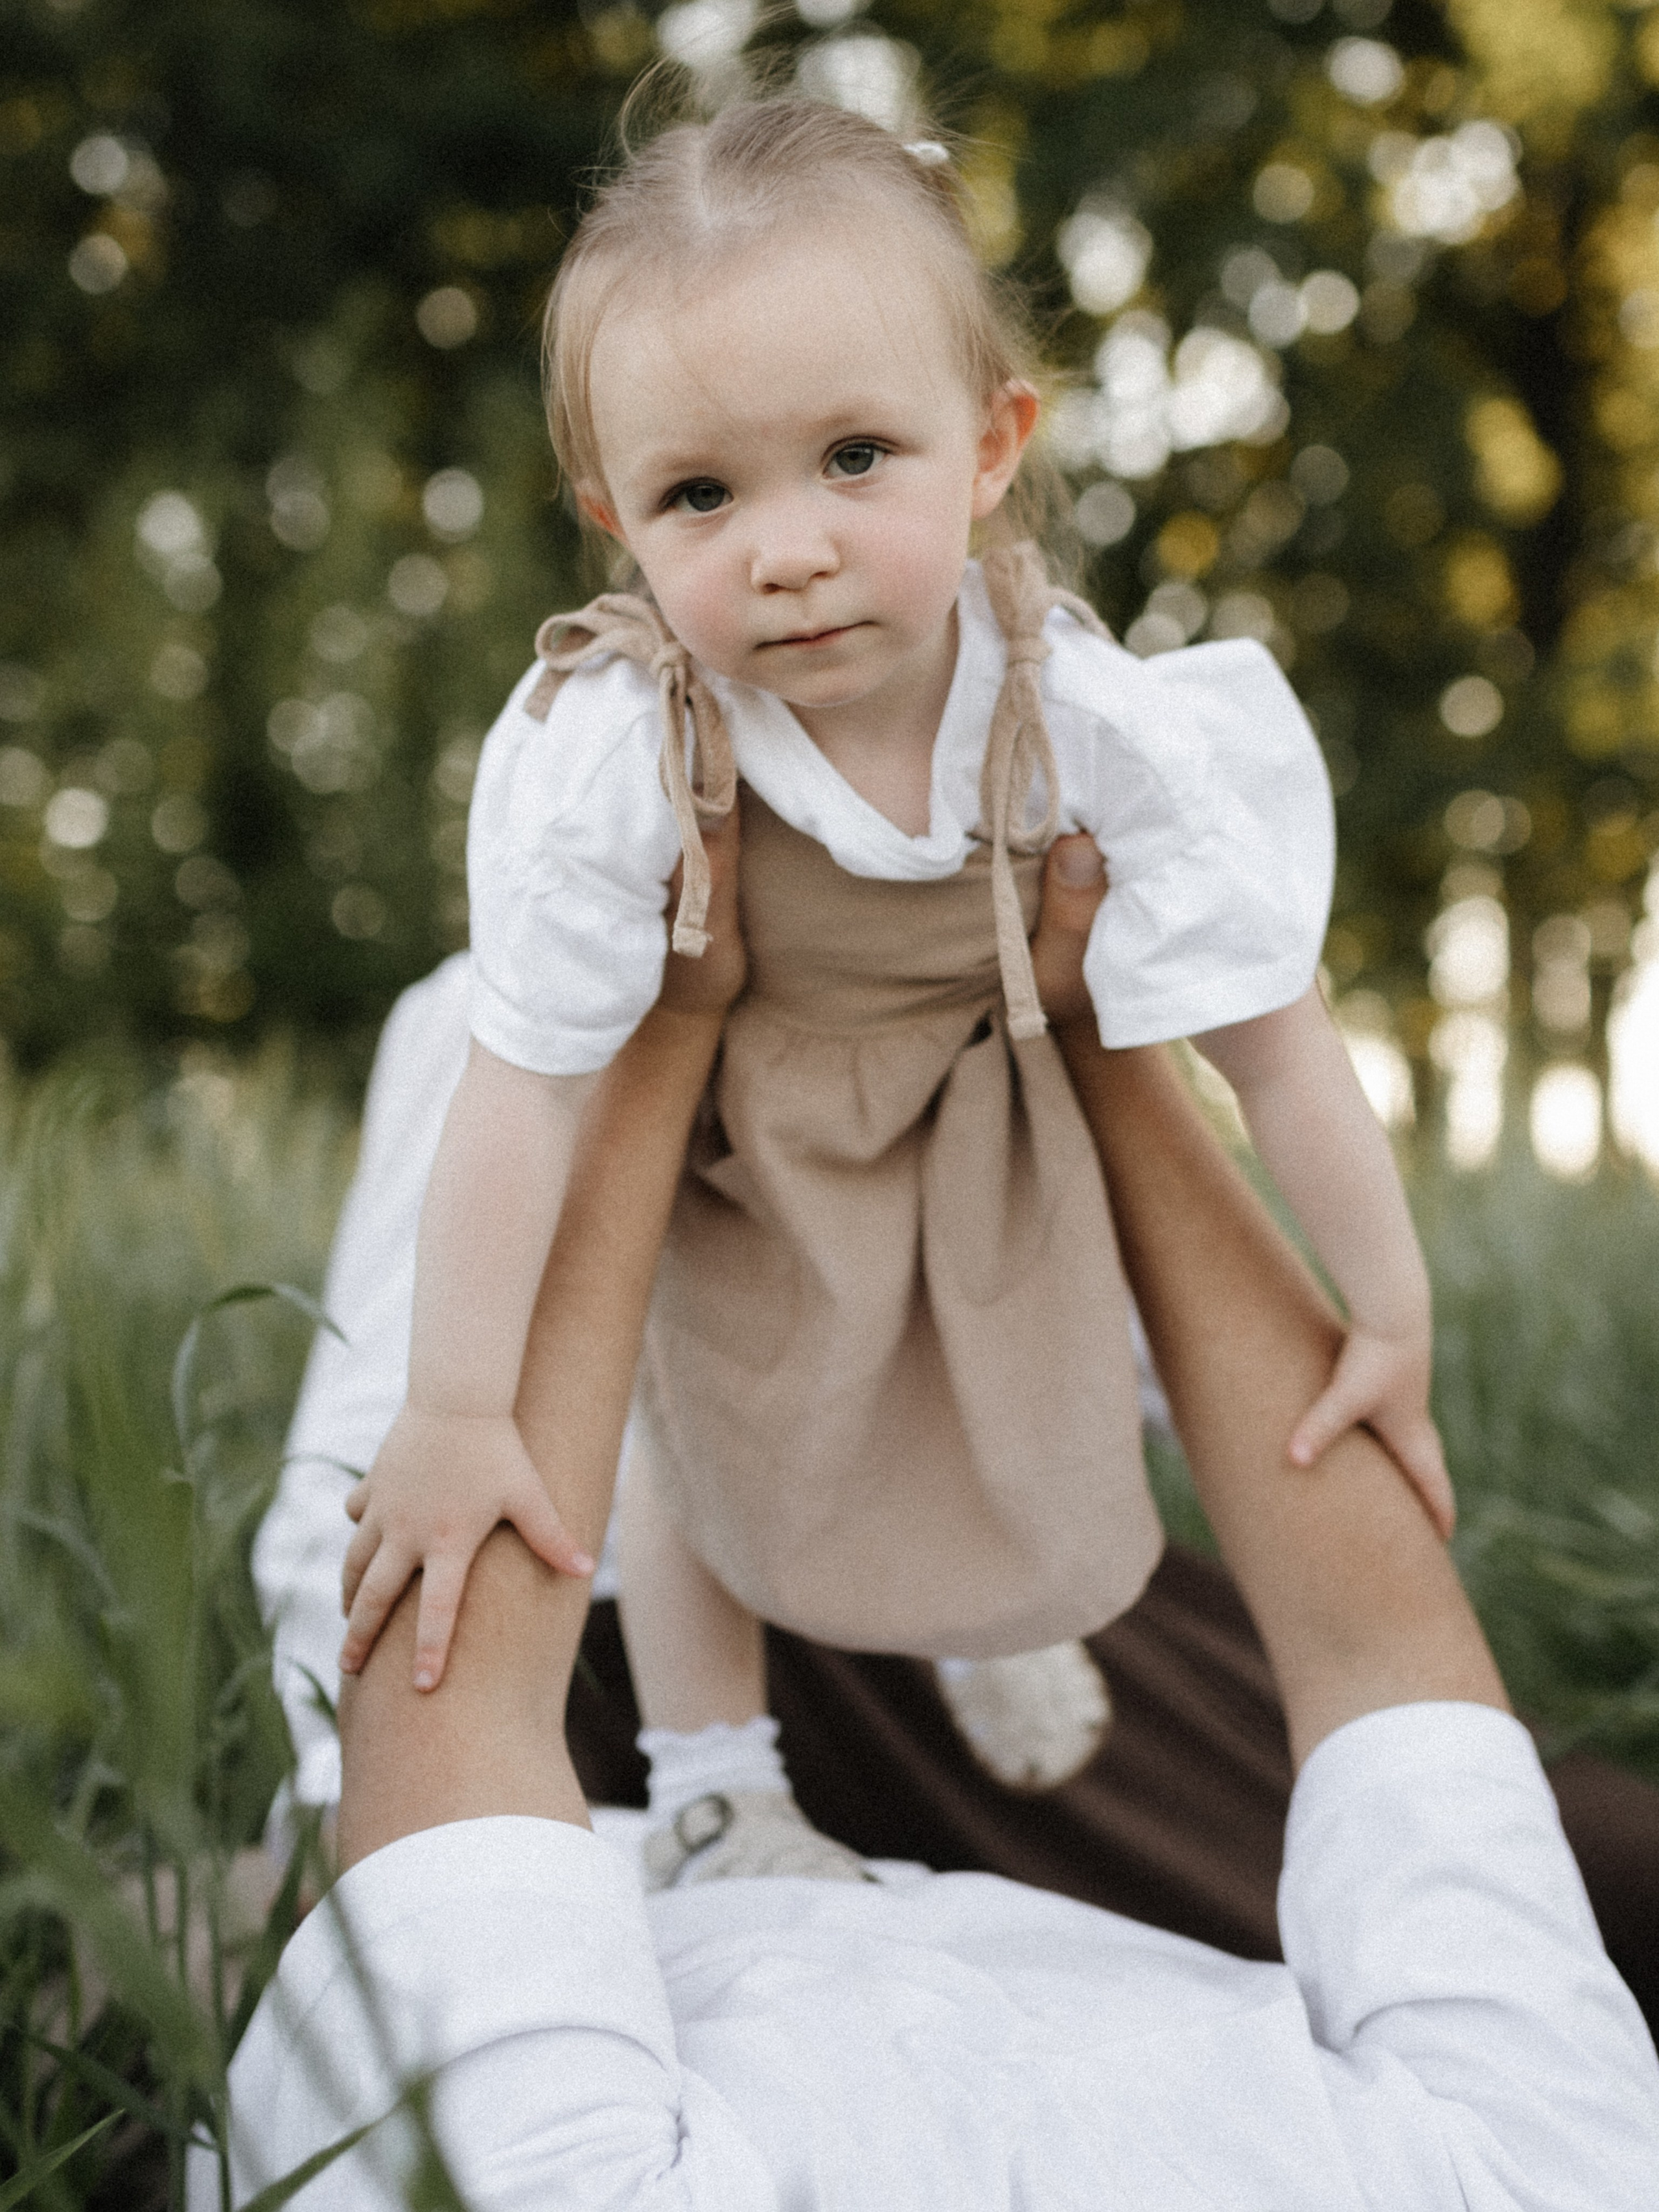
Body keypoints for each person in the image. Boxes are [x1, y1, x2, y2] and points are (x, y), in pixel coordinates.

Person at [333, 87, 1454, 1882]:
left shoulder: (1080, 714)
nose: (788, 544)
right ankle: (719, 1778)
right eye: (704, 491)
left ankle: (983, 1604)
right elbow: (525, 1083)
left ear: (993, 439)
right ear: (616, 513)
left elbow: (1278, 1033)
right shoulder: (623, 739)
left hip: (982, 1115)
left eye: (856, 456)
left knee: (1016, 1380)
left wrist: (1385, 1302)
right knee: (695, 1421)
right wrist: (457, 1402)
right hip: (735, 1140)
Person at [205, 827, 1659, 2210]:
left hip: (620, 1661)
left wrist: (664, 1025)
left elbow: (445, 1684)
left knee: (517, 1032)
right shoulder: (1539, 2167)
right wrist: (1093, 1039)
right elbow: (1379, 1659)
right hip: (876, 1612)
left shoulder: (536, 2174)